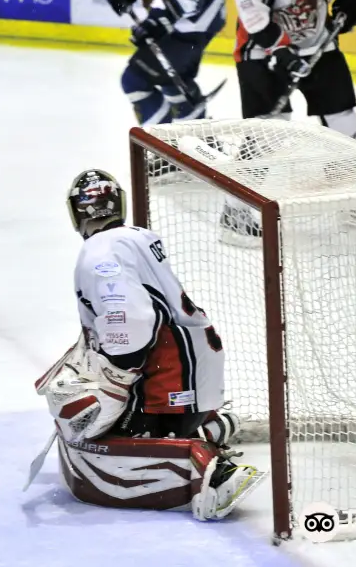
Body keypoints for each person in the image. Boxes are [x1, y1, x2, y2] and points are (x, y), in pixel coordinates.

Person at [34, 169, 263, 520]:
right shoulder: (135, 238)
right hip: (191, 365)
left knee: (102, 436)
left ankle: (214, 474)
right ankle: (211, 426)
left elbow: (131, 321)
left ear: (76, 212)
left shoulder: (100, 252)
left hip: (168, 373)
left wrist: (116, 375)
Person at [230, 0, 356, 138]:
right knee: (270, 134)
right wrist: (281, 52)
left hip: (317, 38)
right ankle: (256, 163)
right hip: (262, 50)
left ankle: (346, 165)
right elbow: (253, 16)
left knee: (343, 122)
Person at [104, 0, 226, 124]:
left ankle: (161, 143)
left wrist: (156, 22)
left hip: (197, 21)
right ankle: (199, 138)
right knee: (171, 82)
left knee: (135, 80)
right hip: (190, 19)